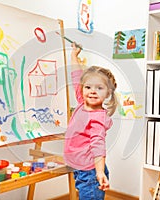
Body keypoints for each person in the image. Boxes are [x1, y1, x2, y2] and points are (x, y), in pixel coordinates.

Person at [64, 42, 118, 200]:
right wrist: (74, 55)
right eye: (88, 87)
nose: (92, 91)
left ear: (108, 93)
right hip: (81, 169)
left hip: (91, 173)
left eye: (99, 88)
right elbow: (76, 77)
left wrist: (99, 172)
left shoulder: (97, 118)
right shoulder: (82, 102)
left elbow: (98, 146)